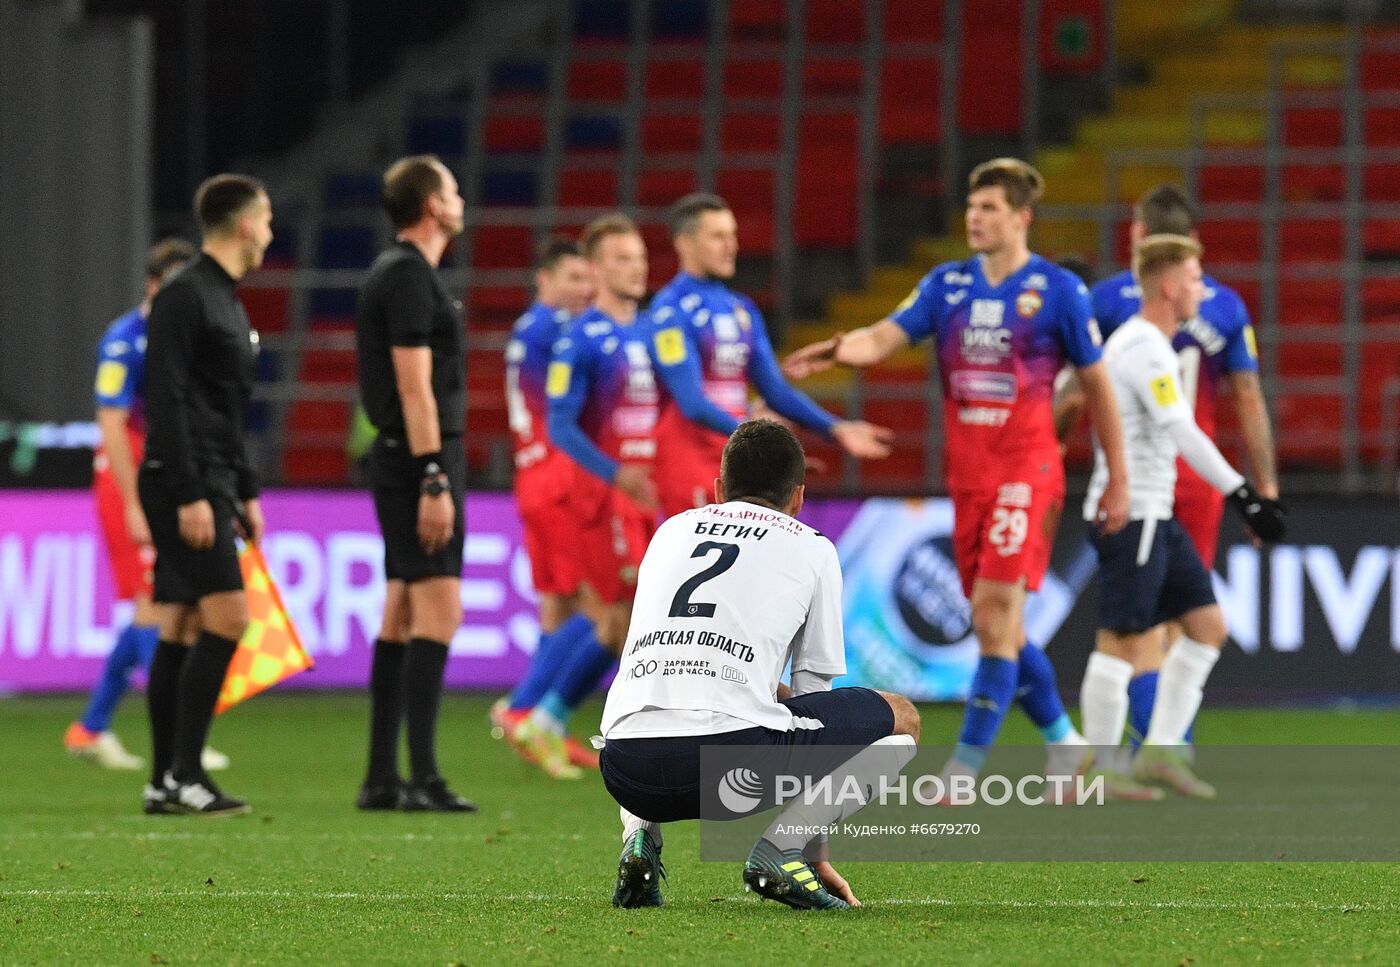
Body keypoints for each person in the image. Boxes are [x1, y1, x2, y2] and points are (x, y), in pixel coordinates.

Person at [784, 158, 1130, 784]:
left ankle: (965, 769)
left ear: (1022, 217)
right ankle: (1065, 742)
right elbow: (885, 337)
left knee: (995, 615)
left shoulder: (1057, 291)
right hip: (969, 479)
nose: (975, 217)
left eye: (990, 208)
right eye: (972, 207)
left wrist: (1120, 478)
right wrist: (841, 347)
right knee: (996, 622)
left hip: (1027, 470)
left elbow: (1098, 388)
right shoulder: (947, 285)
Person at [599, 419, 921, 911]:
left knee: (662, 683)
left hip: (624, 770)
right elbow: (815, 699)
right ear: (798, 498)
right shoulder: (812, 546)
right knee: (902, 718)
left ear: (718, 489)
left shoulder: (670, 532)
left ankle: (638, 842)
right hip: (729, 773)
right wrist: (813, 844)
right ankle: (782, 850)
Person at [1058, 184, 1277, 753]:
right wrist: (1261, 487)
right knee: (1161, 628)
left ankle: (1150, 749)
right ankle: (1150, 750)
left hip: (1143, 474)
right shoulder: (1224, 307)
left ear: (1137, 236)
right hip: (1186, 481)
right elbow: (1247, 395)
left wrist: (1050, 456)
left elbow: (1073, 395)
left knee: (1167, 623)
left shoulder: (1105, 301)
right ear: (1187, 249)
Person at [138, 174, 272, 816]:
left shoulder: (227, 299)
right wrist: (191, 492)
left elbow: (225, 409)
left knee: (184, 621)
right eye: (266, 219)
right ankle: (186, 775)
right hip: (181, 480)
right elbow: (162, 397)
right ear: (245, 224)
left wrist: (244, 489)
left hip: (214, 478)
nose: (271, 232)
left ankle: (164, 779)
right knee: (229, 619)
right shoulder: (186, 295)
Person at [354, 154, 475, 813]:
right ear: (432, 205)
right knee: (439, 610)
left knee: (401, 610)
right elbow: (413, 384)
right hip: (418, 458)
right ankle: (422, 775)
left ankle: (381, 777)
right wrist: (433, 475)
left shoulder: (406, 273)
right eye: (452, 189)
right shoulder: (406, 275)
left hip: (408, 455)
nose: (461, 198)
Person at [647, 193, 892, 519]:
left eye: (732, 235)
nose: (731, 245)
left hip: (737, 462)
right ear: (685, 244)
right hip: (689, 461)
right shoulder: (669, 310)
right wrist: (762, 445)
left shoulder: (742, 309)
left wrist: (834, 428)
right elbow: (692, 404)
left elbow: (775, 390)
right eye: (717, 236)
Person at [65, 239, 209, 771]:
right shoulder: (124, 340)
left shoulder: (180, 338)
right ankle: (176, 744)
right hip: (126, 482)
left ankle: (91, 726)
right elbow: (112, 424)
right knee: (157, 603)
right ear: (153, 285)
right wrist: (133, 502)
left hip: (163, 479)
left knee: (154, 606)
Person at [522, 213, 656, 779]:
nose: (637, 268)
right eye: (623, 259)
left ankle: (547, 717)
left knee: (623, 619)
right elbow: (560, 425)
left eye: (640, 258)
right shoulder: (578, 338)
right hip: (604, 497)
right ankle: (628, 733)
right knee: (626, 613)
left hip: (647, 492)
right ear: (597, 269)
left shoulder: (650, 331)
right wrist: (614, 472)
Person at [491, 236, 602, 770]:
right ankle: (524, 710)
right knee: (598, 604)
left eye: (589, 280)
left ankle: (537, 725)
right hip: (560, 478)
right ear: (545, 279)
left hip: (533, 475)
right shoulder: (558, 328)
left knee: (558, 605)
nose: (586, 290)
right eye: (576, 279)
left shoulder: (528, 329)